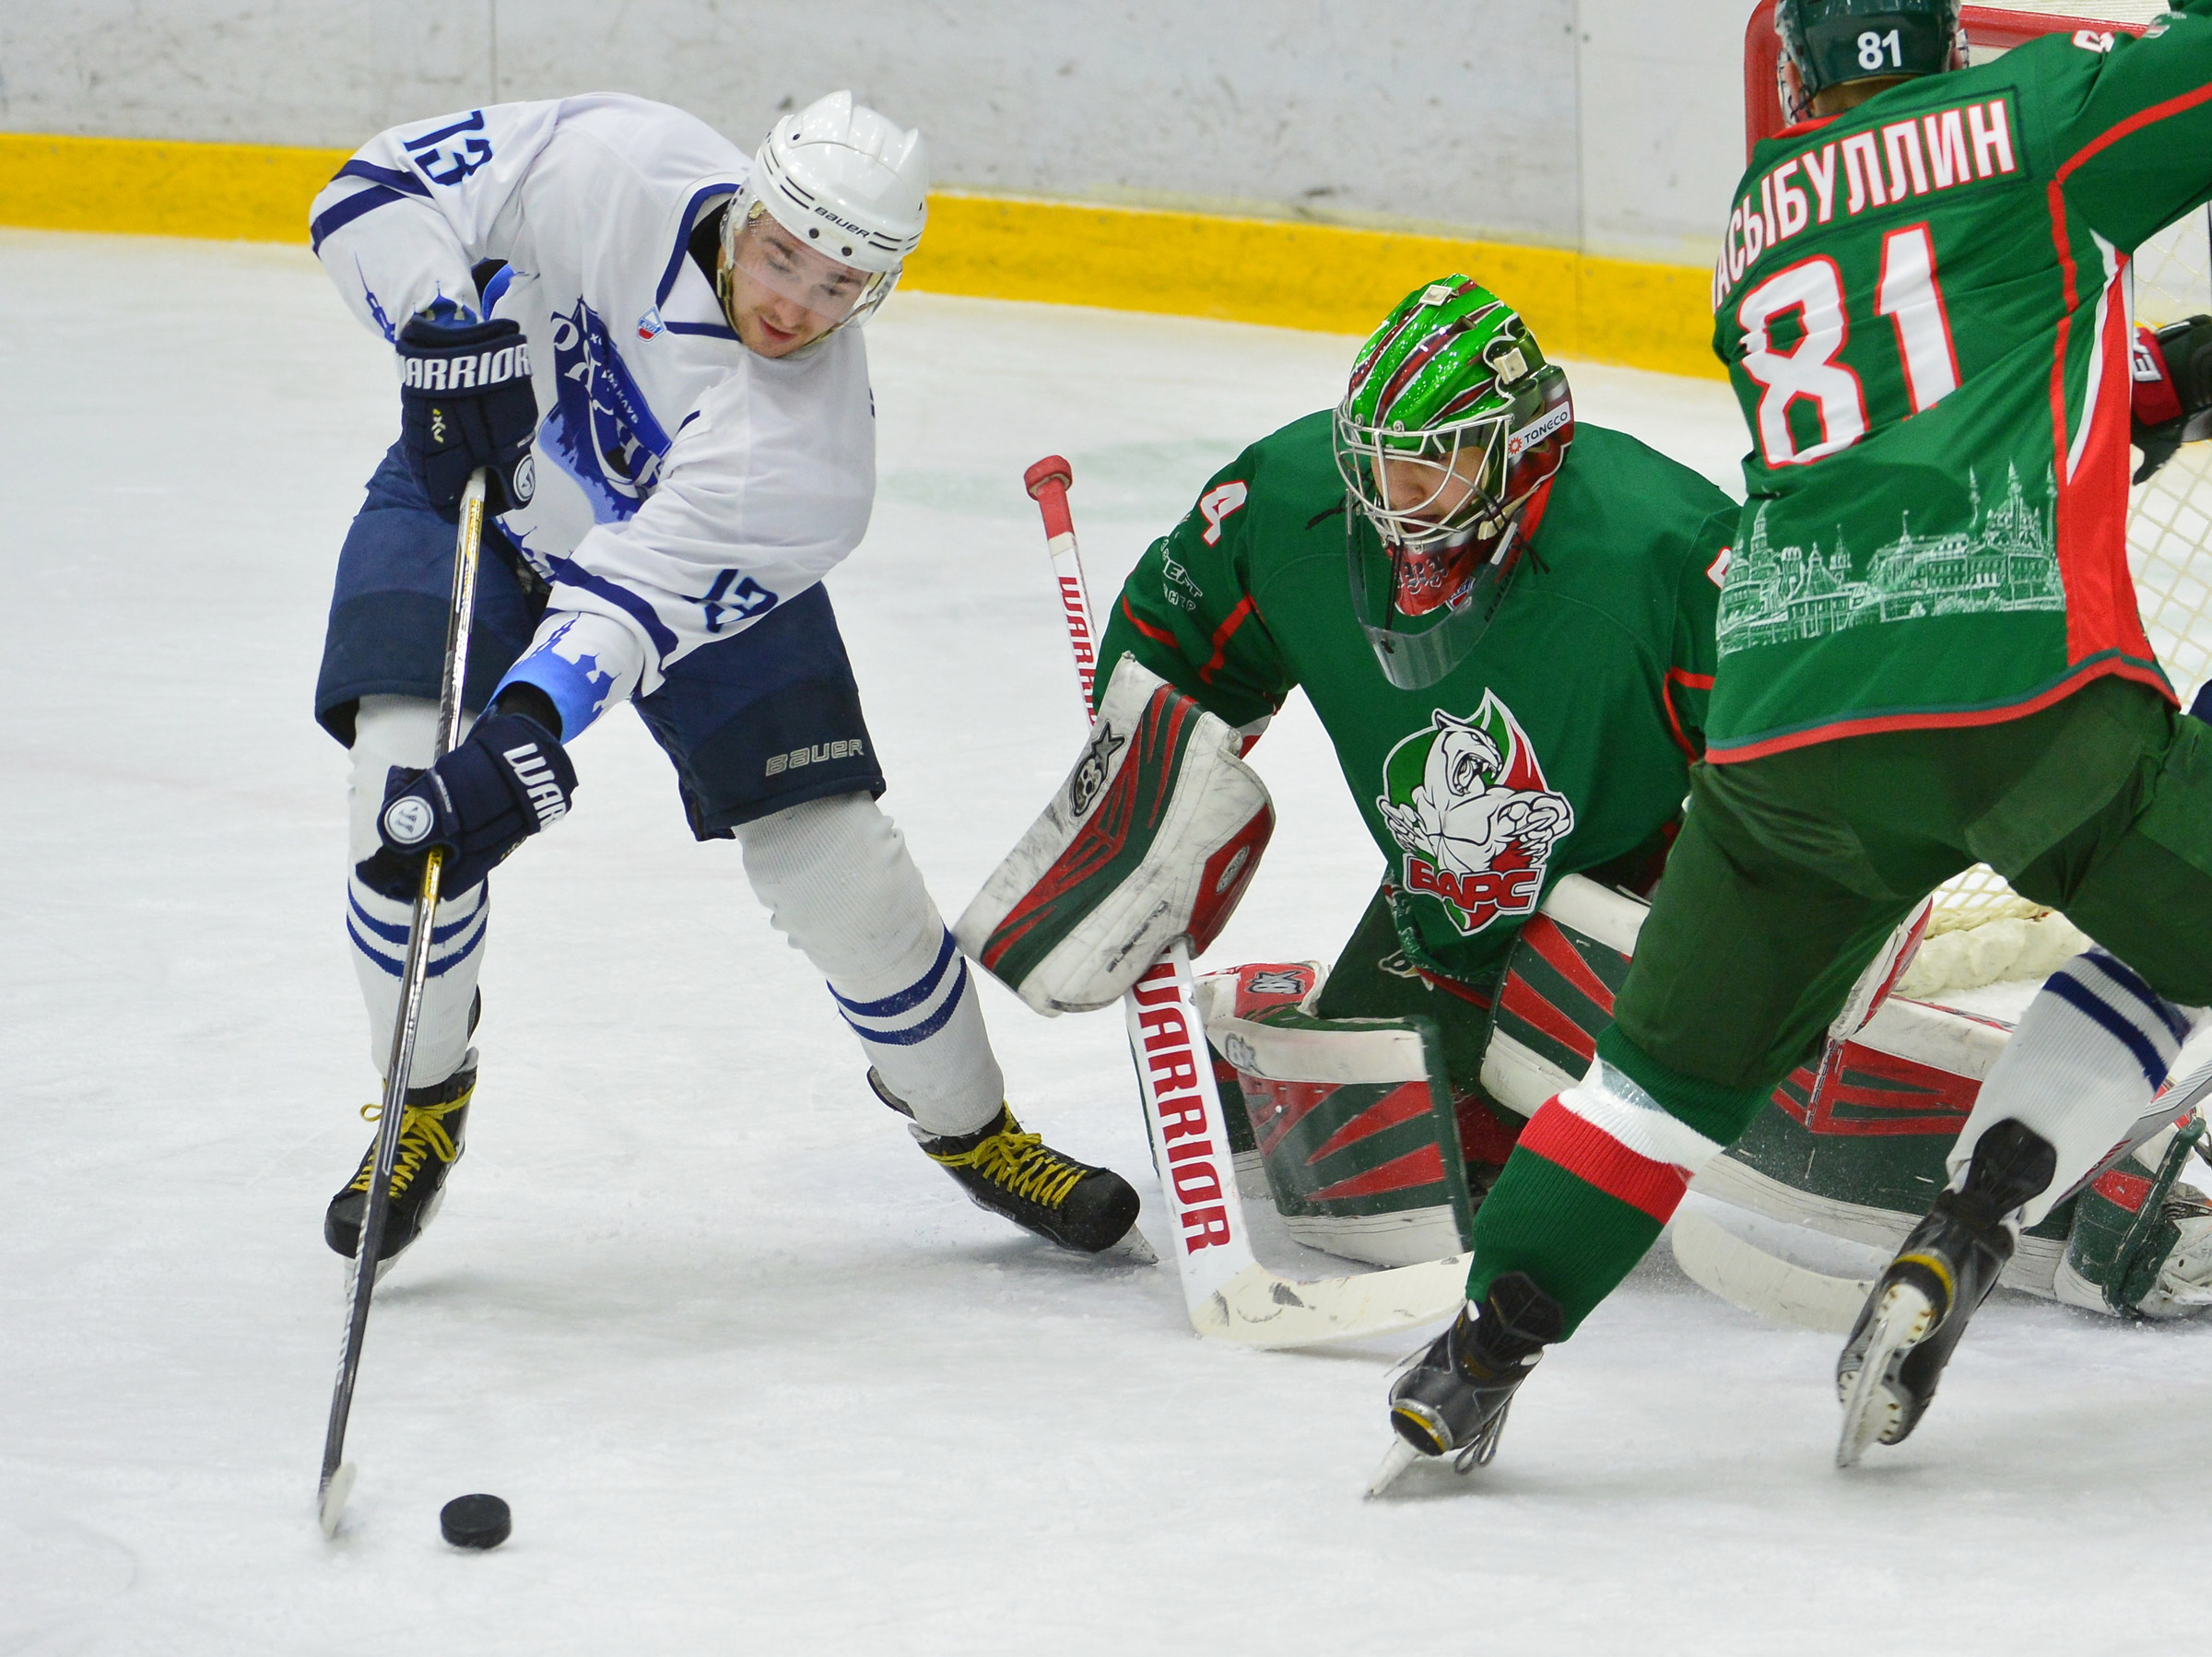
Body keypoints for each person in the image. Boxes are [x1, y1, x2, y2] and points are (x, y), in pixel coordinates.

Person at [1382, 0, 2212, 1475]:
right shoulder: (2035, 118)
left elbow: (1959, 356)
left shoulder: (1759, 218)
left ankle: (1478, 1354)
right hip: (2018, 692)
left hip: (1782, 730)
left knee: (1646, 1091)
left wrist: (2185, 369)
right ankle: (1980, 1213)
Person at [305, 90, 1139, 1271]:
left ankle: (974, 1129)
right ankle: (423, 1098)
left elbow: (630, 604)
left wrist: (530, 725)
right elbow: (372, 190)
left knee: (832, 866)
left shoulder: (807, 463)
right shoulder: (615, 158)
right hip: (479, 498)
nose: (796, 302)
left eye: (838, 284)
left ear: (877, 290)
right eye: (782, 254)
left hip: (670, 569)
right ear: (746, 209)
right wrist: (444, 331)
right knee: (397, 788)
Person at [1085, 276, 1732, 1241]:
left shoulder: (1668, 549)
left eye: (1435, 466)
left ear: (1524, 445)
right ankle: (1283, 1005)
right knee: (1364, 1175)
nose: (1398, 504)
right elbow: (1171, 650)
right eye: (1379, 466)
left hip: (1631, 897)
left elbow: (1789, 777)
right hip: (1442, 908)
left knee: (1692, 1130)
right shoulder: (1290, 497)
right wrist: (1145, 809)